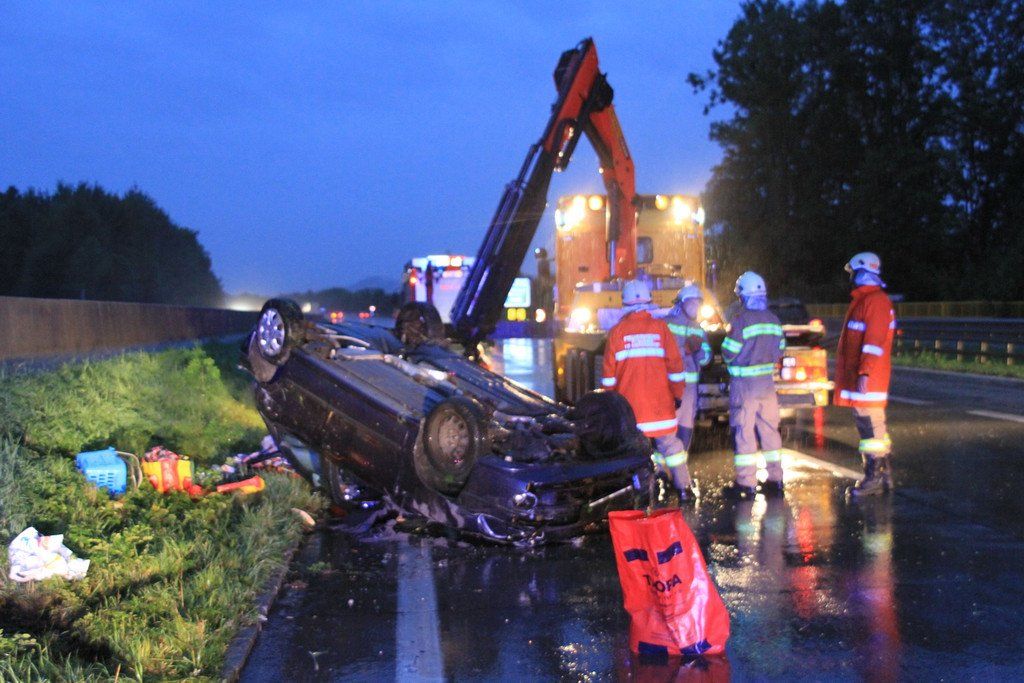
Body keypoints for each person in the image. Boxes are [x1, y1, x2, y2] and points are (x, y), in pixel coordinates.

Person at [601, 279, 694, 500]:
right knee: (671, 447)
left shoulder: (617, 333)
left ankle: (640, 493)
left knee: (633, 452)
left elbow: (608, 378)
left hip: (630, 412)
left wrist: (610, 406)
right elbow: (676, 368)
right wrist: (677, 395)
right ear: (648, 301)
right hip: (660, 407)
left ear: (625, 302)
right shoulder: (660, 329)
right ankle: (684, 489)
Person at [834, 252, 896, 498]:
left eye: (853, 273)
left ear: (862, 272)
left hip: (869, 378)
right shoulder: (866, 300)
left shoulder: (875, 302)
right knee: (874, 426)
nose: (851, 277)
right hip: (866, 376)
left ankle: (874, 477)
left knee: (869, 428)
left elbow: (873, 343)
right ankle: (884, 474)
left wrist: (865, 373)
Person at [720, 271, 786, 498]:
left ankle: (746, 483)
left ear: (743, 296)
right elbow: (780, 349)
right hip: (767, 385)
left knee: (744, 433)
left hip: (745, 386)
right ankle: (776, 480)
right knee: (770, 431)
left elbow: (729, 352)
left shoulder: (741, 320)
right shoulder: (773, 319)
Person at [663, 284, 712, 454]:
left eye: (698, 303)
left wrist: (699, 352)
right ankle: (663, 466)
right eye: (691, 302)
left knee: (685, 427)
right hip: (668, 387)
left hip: (689, 390)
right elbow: (661, 354)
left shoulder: (698, 328)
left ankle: (680, 465)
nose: (695, 306)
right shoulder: (665, 324)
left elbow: (706, 358)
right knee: (667, 428)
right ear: (681, 303)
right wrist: (685, 349)